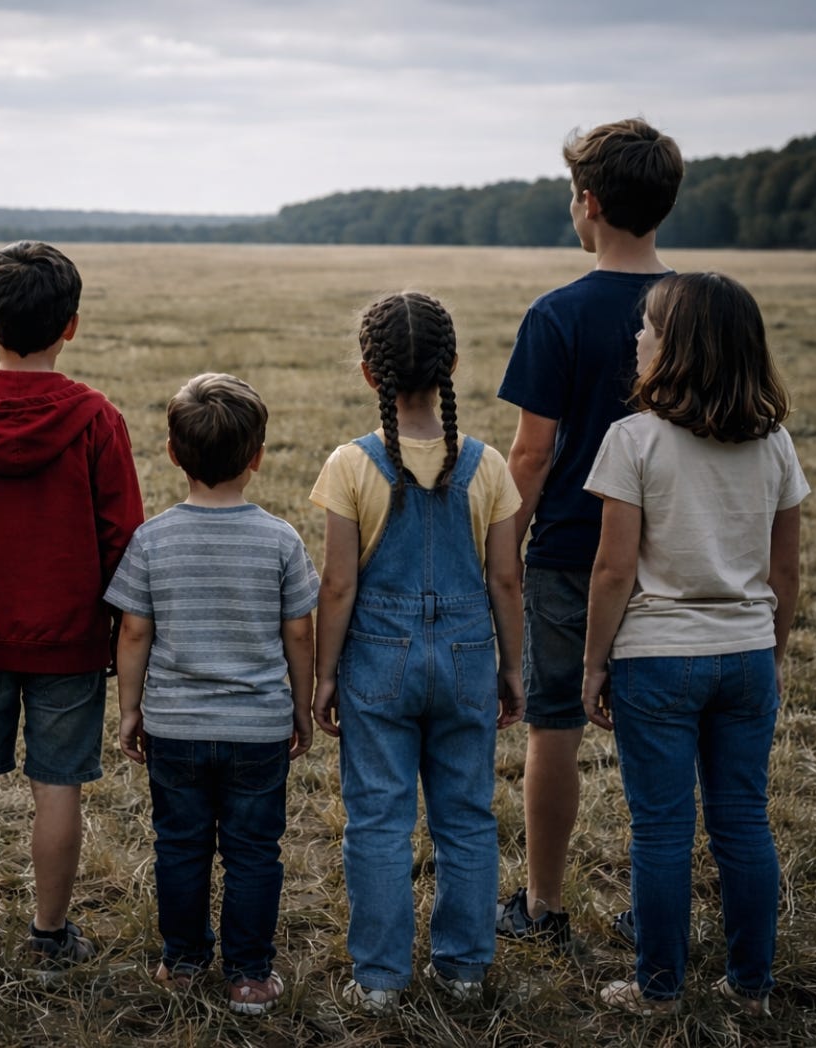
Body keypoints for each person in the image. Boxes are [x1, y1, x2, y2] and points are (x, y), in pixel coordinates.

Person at [0, 241, 144, 973]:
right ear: (70, 326)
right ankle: (49, 935)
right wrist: (120, 634)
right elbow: (125, 540)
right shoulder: (97, 418)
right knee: (58, 787)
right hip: (70, 640)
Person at [582, 273, 805, 1017]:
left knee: (662, 831)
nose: (636, 339)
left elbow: (613, 569)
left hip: (657, 658)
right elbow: (786, 569)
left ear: (675, 347)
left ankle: (659, 991)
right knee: (744, 820)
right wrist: (769, 652)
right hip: (745, 656)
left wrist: (594, 662)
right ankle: (750, 988)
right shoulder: (774, 443)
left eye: (646, 328)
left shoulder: (633, 440)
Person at [495, 118, 684, 948]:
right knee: (663, 733)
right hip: (674, 556)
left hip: (572, 554)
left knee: (554, 729)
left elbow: (532, 457)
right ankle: (656, 910)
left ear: (591, 204)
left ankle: (541, 906)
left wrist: (498, 553)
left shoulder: (556, 313)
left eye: (573, 194)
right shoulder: (700, 308)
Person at [312, 292, 525, 1015]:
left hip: (377, 662)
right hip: (467, 657)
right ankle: (464, 969)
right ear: (453, 365)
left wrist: (322, 676)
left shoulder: (350, 463)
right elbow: (504, 579)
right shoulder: (489, 465)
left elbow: (338, 586)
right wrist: (511, 666)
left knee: (378, 819)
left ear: (369, 373)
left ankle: (378, 980)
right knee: (466, 816)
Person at [106, 373, 319, 1014]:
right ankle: (250, 975)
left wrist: (129, 711)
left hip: (174, 727)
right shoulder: (280, 539)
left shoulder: (152, 539)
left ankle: (185, 960)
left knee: (180, 844)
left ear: (172, 453)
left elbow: (134, 630)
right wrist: (301, 708)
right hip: (257, 728)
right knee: (255, 851)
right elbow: (300, 633)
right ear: (257, 457)